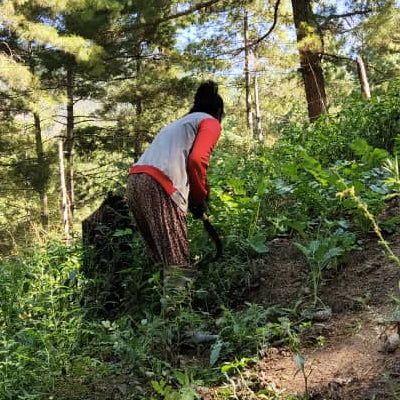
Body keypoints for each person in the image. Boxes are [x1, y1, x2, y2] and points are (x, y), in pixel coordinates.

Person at [126, 80, 224, 284]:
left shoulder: (177, 124)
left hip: (135, 180)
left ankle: (162, 307)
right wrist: (199, 198)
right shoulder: (210, 122)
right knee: (176, 261)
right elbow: (197, 160)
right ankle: (178, 312)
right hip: (160, 184)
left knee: (161, 258)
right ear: (218, 111)